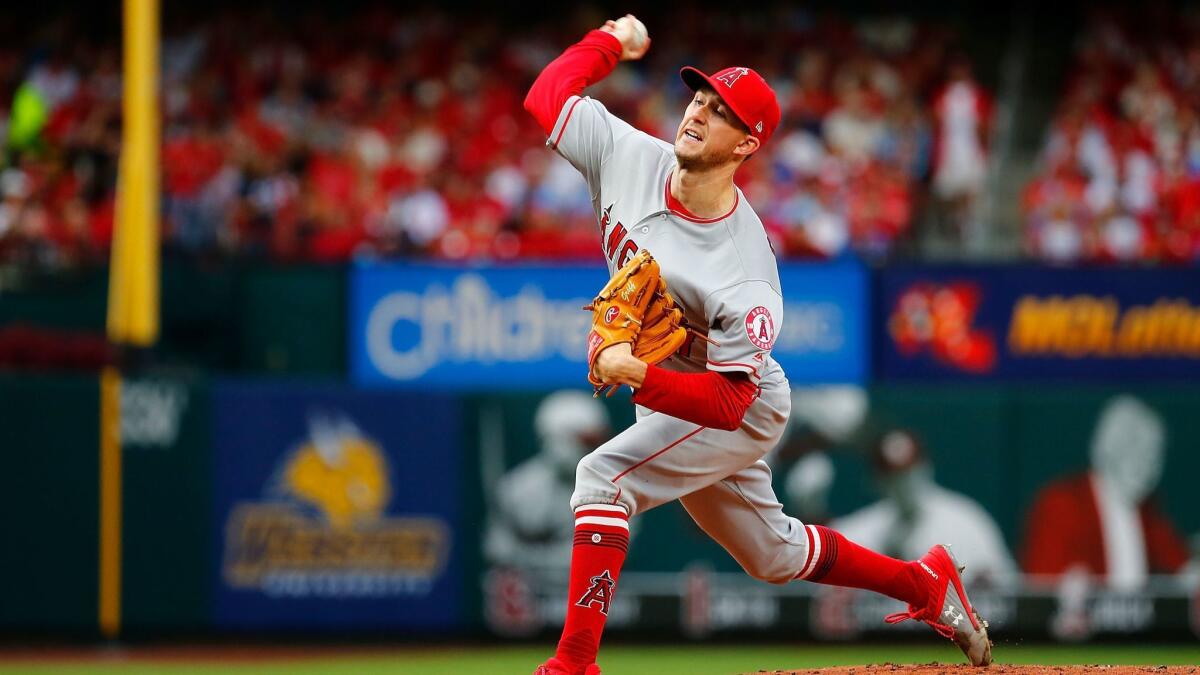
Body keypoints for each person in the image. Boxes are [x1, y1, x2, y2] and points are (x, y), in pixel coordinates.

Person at [523, 16, 992, 675]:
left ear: (747, 143)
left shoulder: (744, 268)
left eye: (721, 114)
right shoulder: (627, 155)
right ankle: (926, 583)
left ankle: (573, 663)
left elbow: (727, 401)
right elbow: (547, 94)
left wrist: (635, 373)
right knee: (771, 554)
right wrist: (609, 41)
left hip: (735, 404)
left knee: (601, 477)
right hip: (671, 395)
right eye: (699, 100)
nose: (698, 114)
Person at [1022, 395, 1190, 590]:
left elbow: (1182, 568)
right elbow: (1041, 591)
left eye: (1154, 455)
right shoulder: (1061, 505)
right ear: (1106, 447)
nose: (1146, 465)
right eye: (1134, 448)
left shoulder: (1150, 513)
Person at [831, 429, 1018, 587]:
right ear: (877, 480)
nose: (903, 484)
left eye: (909, 473)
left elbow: (1010, 589)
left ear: (926, 467)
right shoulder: (861, 530)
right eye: (894, 477)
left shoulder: (966, 520)